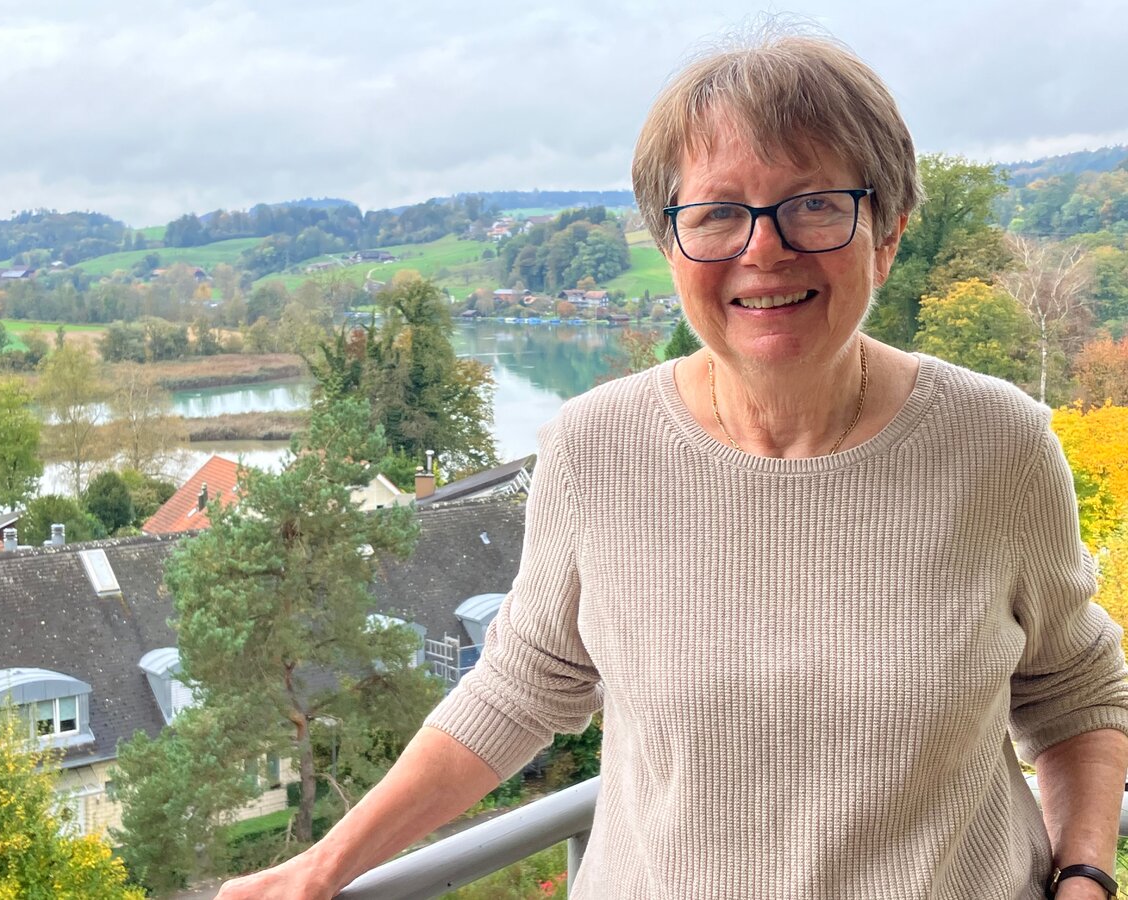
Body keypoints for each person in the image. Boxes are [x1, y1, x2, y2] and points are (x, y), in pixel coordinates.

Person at [218, 30, 1128, 900]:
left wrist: (1084, 871)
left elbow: (1075, 685)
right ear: (669, 246)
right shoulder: (593, 447)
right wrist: (322, 866)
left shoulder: (997, 445)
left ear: (885, 234)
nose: (762, 249)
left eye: (814, 203)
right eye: (719, 212)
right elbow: (521, 684)